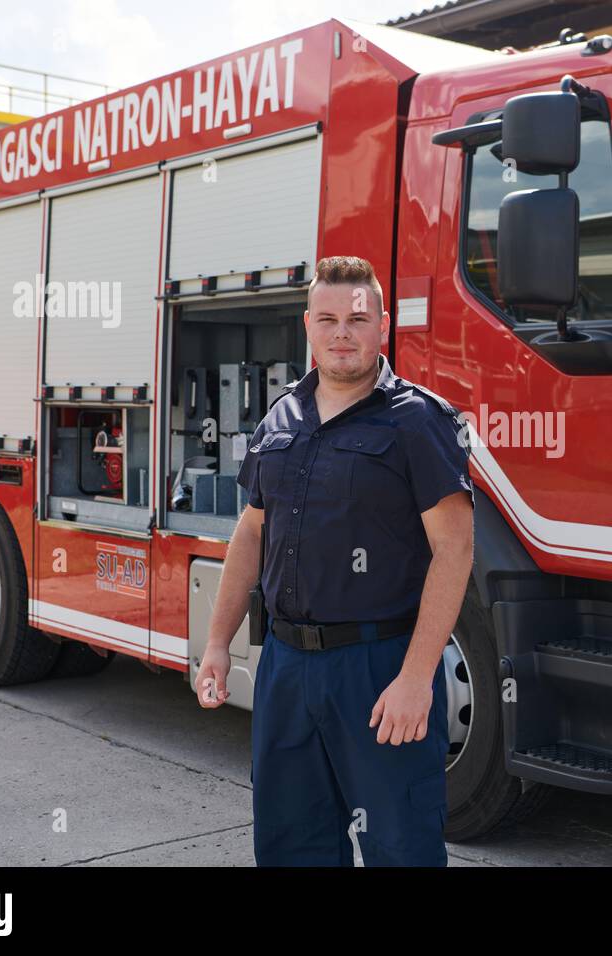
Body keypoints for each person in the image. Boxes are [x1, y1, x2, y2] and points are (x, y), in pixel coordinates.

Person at [196, 255, 474, 867]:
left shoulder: (418, 421)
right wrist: (219, 641)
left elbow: (454, 550)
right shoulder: (280, 418)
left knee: (400, 847)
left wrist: (414, 678)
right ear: (307, 326)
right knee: (290, 844)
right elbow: (251, 533)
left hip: (378, 671)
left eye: (357, 318)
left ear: (383, 325)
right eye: (327, 319)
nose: (342, 331)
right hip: (286, 667)